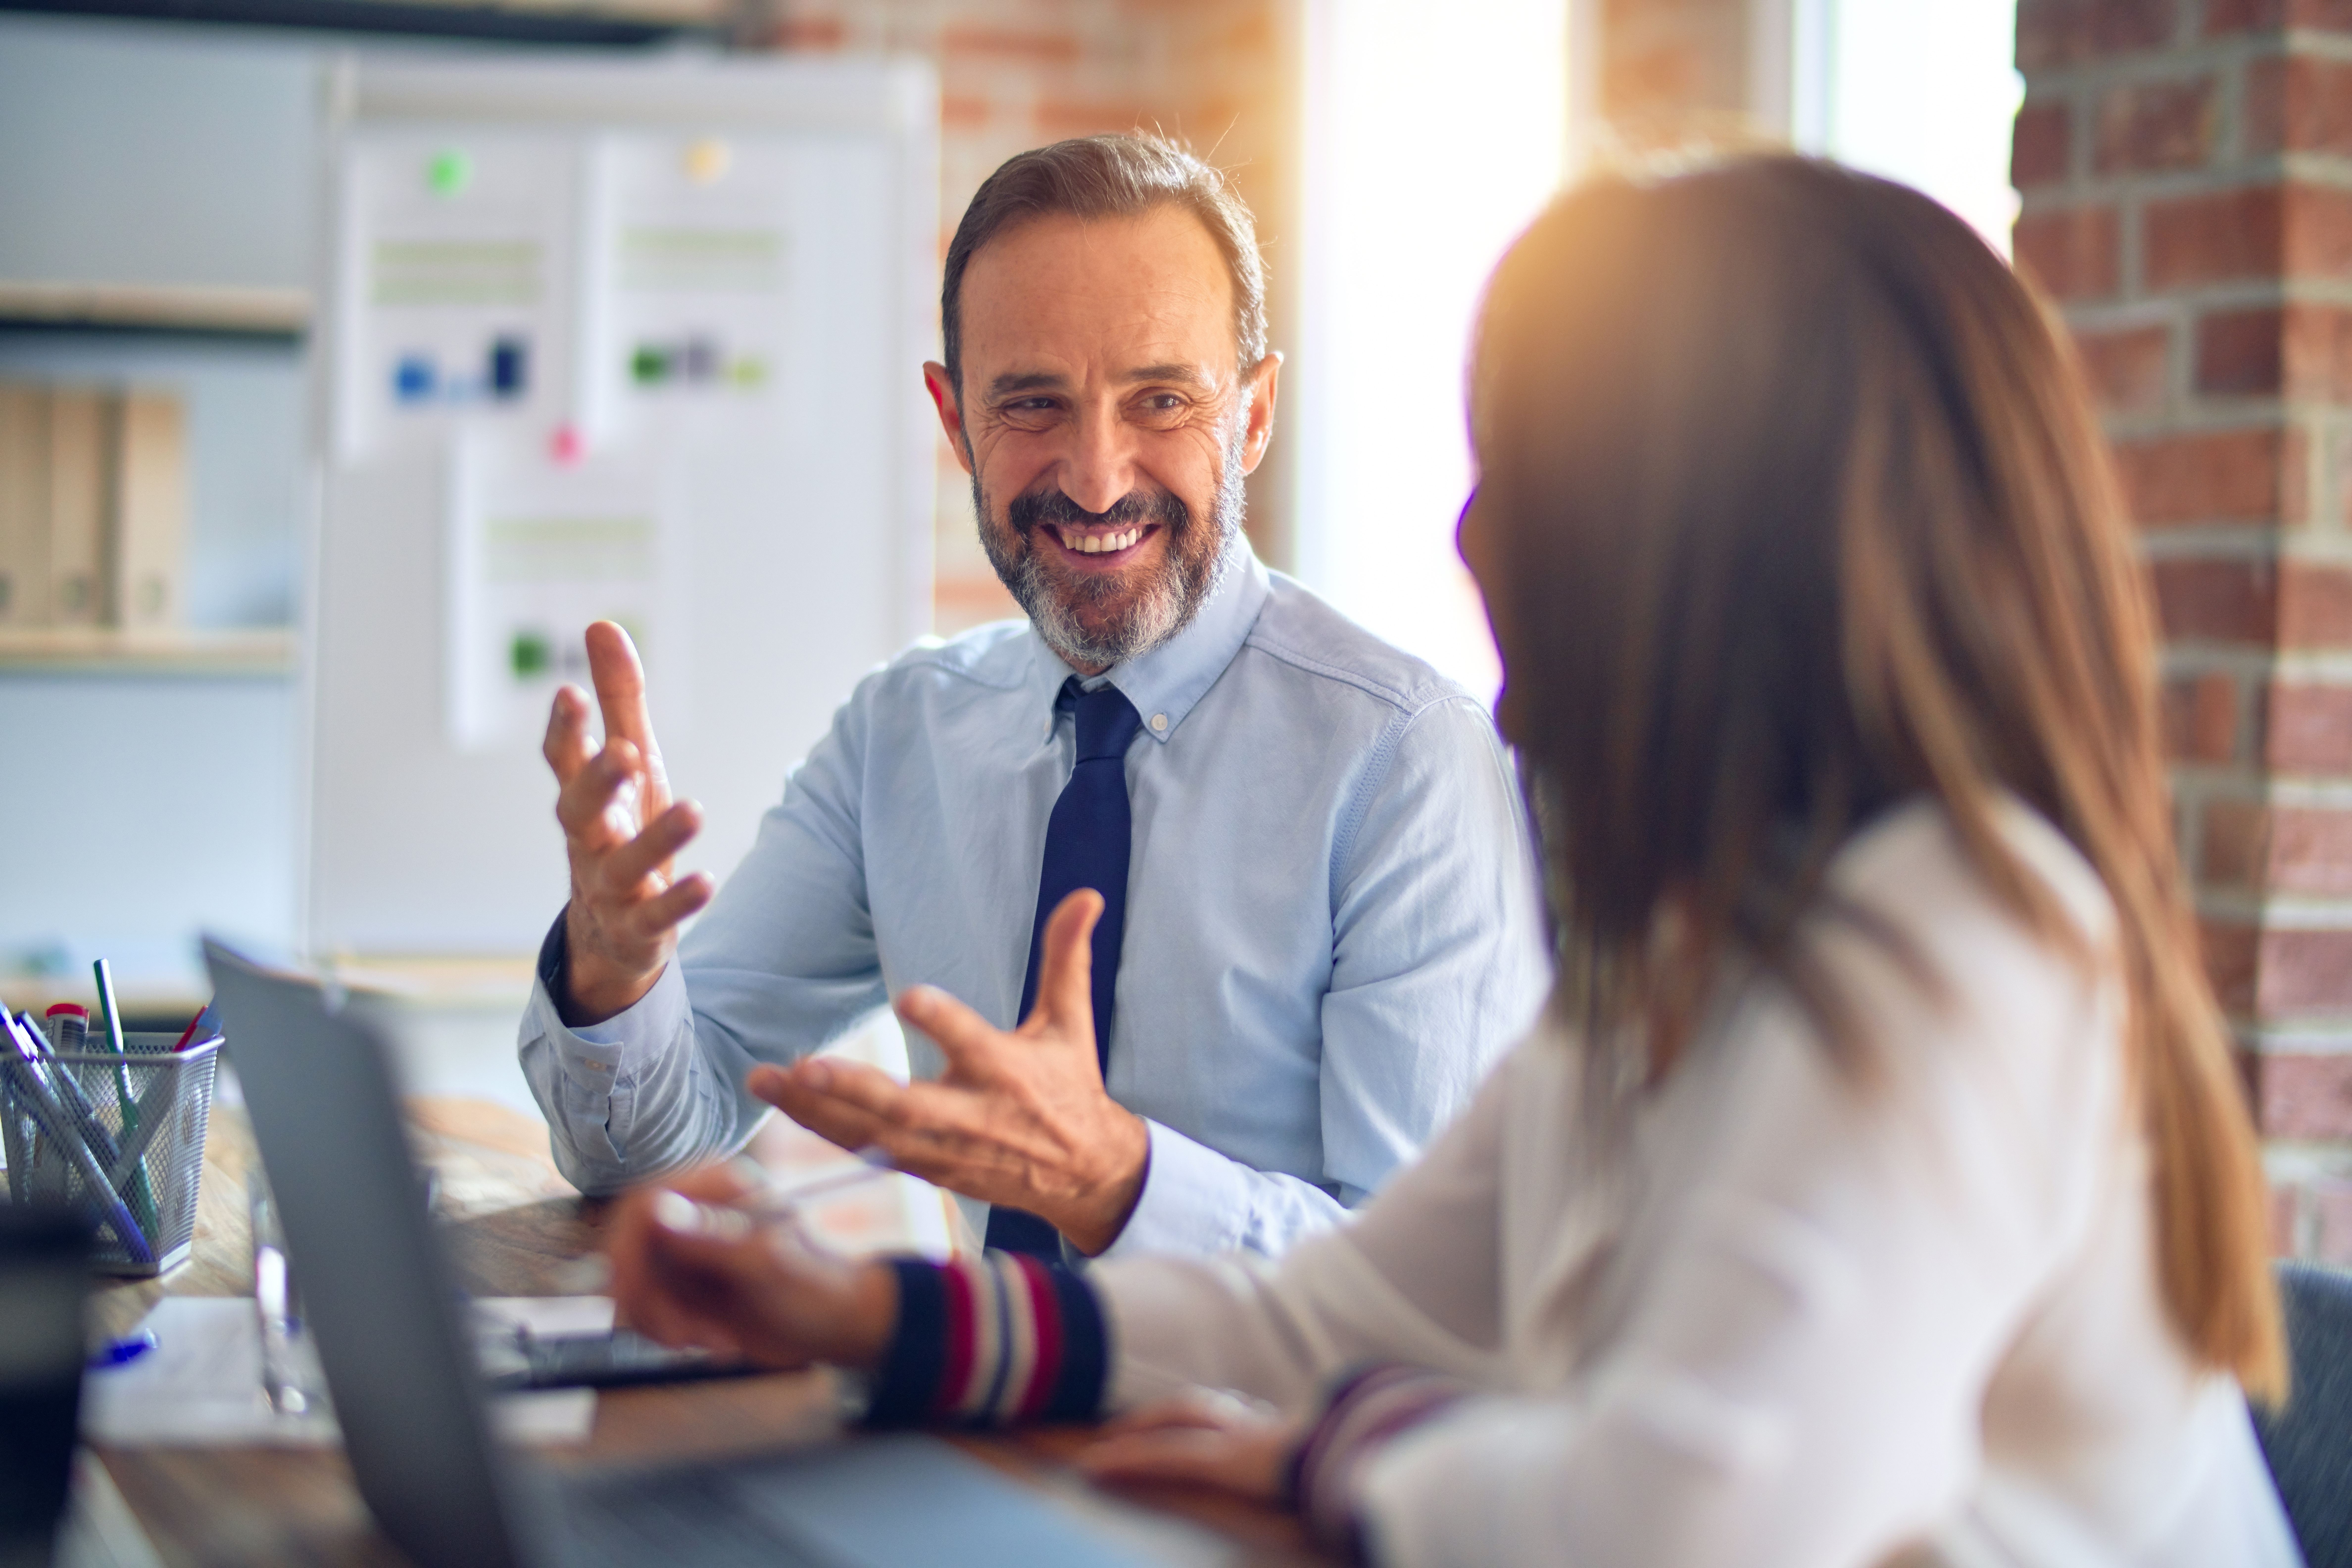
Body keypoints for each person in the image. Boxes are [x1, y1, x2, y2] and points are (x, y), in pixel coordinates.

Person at [598, 155, 2301, 1566]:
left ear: (1731, 539)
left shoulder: (1953, 948)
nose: (1474, 531)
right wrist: (864, 1316)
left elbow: (1686, 1527)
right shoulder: (1688, 954)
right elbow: (1339, 1313)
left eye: (1533, 475)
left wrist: (1345, 1461)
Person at [523, 132, 1545, 1261]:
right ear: (955, 420)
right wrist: (614, 978)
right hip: (971, 1371)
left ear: (1253, 416)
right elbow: (646, 1151)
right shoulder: (898, 740)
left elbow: (1433, 1287)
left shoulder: (1405, 762)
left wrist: (1120, 1187)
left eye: (1162, 399)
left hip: (1229, 1390)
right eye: (1033, 405)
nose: (1097, 479)